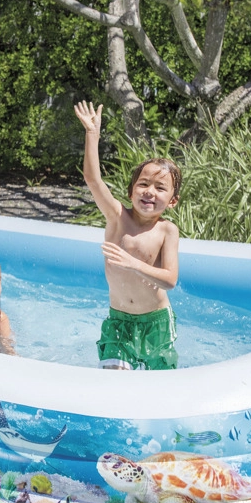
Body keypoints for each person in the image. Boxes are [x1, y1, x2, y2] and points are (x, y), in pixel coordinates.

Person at [75, 100, 181, 370]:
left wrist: (134, 264)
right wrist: (92, 134)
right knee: (113, 384)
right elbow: (93, 180)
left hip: (156, 322)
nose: (150, 191)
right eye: (143, 184)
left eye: (160, 188)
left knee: (160, 387)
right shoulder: (117, 217)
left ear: (172, 201)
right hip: (119, 321)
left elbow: (170, 280)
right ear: (131, 191)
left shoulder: (167, 230)